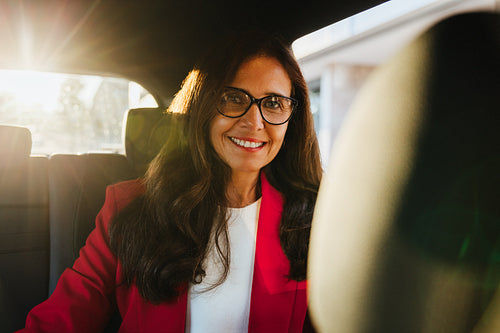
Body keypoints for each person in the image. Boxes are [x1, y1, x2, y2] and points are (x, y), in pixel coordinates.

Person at [19, 31, 323, 333]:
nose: (254, 122)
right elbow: (62, 320)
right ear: (203, 106)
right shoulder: (131, 207)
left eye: (273, 103)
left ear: (291, 116)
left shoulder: (313, 220)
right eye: (233, 98)